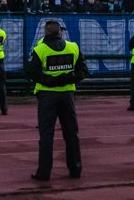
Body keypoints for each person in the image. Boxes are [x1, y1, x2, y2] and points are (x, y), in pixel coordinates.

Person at [24, 19, 87, 181]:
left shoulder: (40, 50)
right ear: (60, 32)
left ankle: (44, 173)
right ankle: (75, 169)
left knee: (46, 135)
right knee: (71, 134)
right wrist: (67, 79)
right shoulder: (73, 47)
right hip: (67, 96)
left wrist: (51, 81)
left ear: (45, 32)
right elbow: (82, 71)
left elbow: (32, 72)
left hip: (47, 96)